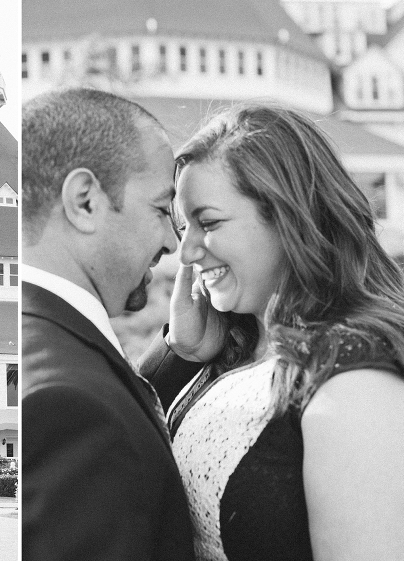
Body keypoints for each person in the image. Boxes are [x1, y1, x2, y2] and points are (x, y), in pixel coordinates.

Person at [155, 102, 404, 561]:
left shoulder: (354, 378)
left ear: (287, 216)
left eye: (207, 223)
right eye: (182, 226)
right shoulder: (233, 345)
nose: (185, 252)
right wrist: (180, 351)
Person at [22, 87, 195, 561]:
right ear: (85, 202)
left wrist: (176, 352)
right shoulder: (65, 405)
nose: (173, 242)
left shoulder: (45, 342)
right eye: (162, 210)